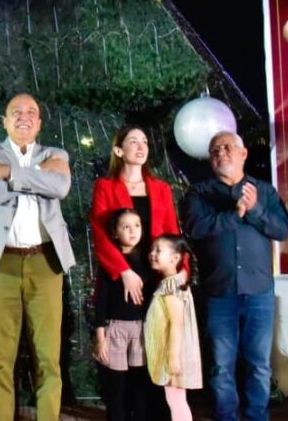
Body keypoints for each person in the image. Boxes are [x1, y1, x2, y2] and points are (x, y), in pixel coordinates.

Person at [0, 93, 73, 421]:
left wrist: (9, 171)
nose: (24, 117)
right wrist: (39, 175)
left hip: (45, 262)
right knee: (0, 359)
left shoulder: (57, 153)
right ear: (4, 121)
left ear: (39, 123)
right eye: (16, 112)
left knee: (48, 359)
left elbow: (61, 189)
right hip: (0, 264)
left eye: (31, 112)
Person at [184, 131, 288, 421]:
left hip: (259, 292)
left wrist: (254, 209)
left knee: (259, 365)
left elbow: (281, 230)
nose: (221, 153)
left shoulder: (264, 191)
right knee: (221, 366)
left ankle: (258, 416)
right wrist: (235, 214)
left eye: (228, 147)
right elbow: (196, 228)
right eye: (215, 150)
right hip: (220, 293)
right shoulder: (200, 193)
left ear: (243, 154)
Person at [90, 124, 181, 305]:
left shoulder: (161, 188)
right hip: (123, 272)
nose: (141, 147)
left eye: (144, 142)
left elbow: (172, 232)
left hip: (157, 272)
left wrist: (180, 270)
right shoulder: (105, 187)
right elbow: (100, 234)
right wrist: (124, 271)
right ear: (118, 150)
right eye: (133, 142)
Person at [93, 209, 150, 421]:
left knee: (139, 387)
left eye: (137, 225)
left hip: (141, 328)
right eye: (126, 226)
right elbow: (101, 302)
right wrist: (101, 339)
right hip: (115, 328)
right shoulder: (109, 264)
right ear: (115, 233)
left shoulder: (148, 260)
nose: (133, 231)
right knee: (116, 388)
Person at [144, 235, 202, 421]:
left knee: (176, 399)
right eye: (152, 250)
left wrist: (173, 357)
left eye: (158, 251)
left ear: (175, 258)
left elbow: (177, 323)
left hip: (175, 353)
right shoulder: (173, 282)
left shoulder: (170, 286)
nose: (152, 254)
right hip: (173, 351)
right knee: (175, 398)